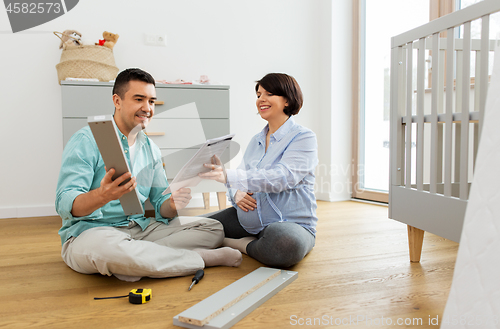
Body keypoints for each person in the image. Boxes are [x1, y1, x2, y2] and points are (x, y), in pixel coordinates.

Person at [55, 68, 242, 282]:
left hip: (138, 229)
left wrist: (172, 204)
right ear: (117, 101)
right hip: (92, 233)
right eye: (139, 99)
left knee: (212, 228)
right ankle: (199, 258)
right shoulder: (88, 139)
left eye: (152, 101)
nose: (147, 108)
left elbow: (160, 203)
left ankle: (138, 261)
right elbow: (64, 204)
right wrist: (102, 196)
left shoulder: (150, 148)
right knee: (108, 251)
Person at [199, 73, 318, 268]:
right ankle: (250, 241)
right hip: (248, 222)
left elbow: (282, 177)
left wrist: (229, 176)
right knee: (195, 227)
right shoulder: (257, 140)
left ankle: (238, 244)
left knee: (286, 245)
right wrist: (236, 193)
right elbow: (241, 177)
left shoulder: (303, 137)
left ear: (287, 100)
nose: (261, 99)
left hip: (290, 225)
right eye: (258, 94)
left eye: (269, 94)